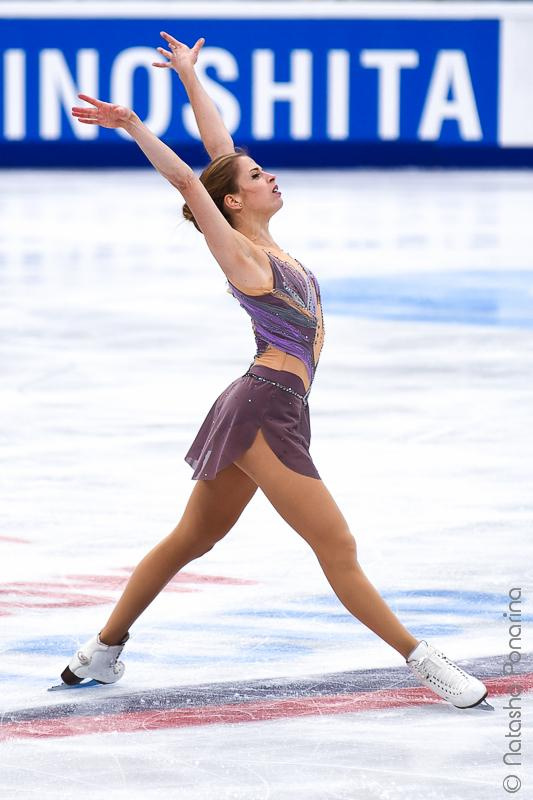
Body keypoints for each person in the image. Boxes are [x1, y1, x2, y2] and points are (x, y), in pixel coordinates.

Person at [60, 32, 489, 710]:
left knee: (191, 539)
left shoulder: (264, 242)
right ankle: (422, 660)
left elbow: (218, 152)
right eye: (256, 177)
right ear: (232, 203)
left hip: (267, 402)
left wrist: (190, 80)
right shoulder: (241, 257)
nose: (267, 175)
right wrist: (135, 125)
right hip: (263, 407)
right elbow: (188, 179)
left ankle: (102, 650)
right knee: (337, 545)